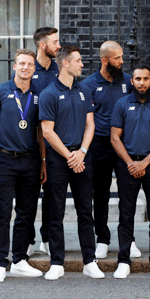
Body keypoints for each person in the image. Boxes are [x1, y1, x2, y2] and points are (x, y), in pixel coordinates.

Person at [39, 46, 104, 280]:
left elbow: (91, 125)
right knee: (55, 212)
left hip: (82, 158)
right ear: (65, 63)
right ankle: (56, 262)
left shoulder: (84, 90)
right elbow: (47, 132)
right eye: (78, 60)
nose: (82, 64)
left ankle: (90, 261)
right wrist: (70, 156)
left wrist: (82, 152)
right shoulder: (48, 93)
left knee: (86, 211)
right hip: (60, 158)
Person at [0, 49, 45, 282]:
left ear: (34, 68)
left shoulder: (40, 94)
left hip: (30, 159)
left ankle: (19, 260)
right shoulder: (0, 91)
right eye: (21, 63)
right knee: (3, 212)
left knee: (26, 213)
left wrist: (44, 161)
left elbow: (42, 130)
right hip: (4, 159)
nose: (25, 67)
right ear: (14, 66)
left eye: (29, 64)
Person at [110, 65, 150, 279]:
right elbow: (114, 137)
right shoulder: (122, 104)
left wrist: (144, 163)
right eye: (138, 78)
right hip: (127, 164)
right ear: (132, 81)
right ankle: (124, 261)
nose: (142, 82)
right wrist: (130, 163)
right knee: (126, 215)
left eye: (146, 78)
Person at [80, 41, 139, 260]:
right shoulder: (88, 85)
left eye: (122, 57)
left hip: (124, 144)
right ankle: (102, 238)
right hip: (100, 144)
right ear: (104, 60)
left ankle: (129, 239)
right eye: (117, 58)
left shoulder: (128, 81)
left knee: (128, 193)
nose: (122, 62)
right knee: (101, 193)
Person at [28, 27, 61, 256]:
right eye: (55, 42)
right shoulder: (29, 69)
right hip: (30, 142)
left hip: (53, 141)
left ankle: (47, 238)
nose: (58, 46)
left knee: (51, 194)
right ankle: (28, 240)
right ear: (42, 45)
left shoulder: (60, 69)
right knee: (29, 195)